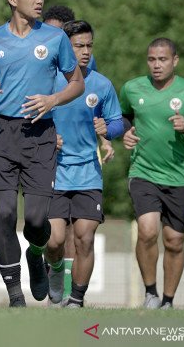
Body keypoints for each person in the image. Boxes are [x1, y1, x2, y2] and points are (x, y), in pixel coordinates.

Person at [0, 0, 84, 307]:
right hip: (0, 134)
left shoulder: (55, 40)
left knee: (36, 219)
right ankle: (15, 296)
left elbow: (77, 83)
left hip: (40, 133)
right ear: (13, 0)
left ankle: (37, 252)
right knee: (3, 215)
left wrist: (53, 100)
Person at [120, 38, 184, 309]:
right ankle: (150, 294)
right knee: (148, 231)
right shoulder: (132, 87)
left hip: (179, 177)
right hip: (143, 172)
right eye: (151, 60)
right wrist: (125, 132)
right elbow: (123, 116)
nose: (156, 65)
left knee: (174, 241)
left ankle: (168, 301)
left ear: (175, 60)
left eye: (162, 60)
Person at [44, 20, 124, 307]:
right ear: (66, 47)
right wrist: (47, 137)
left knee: (84, 238)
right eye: (79, 46)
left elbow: (117, 123)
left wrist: (108, 130)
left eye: (89, 45)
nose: (86, 51)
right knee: (53, 242)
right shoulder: (48, 79)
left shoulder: (101, 85)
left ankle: (76, 300)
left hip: (88, 173)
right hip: (53, 172)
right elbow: (27, 119)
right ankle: (53, 269)